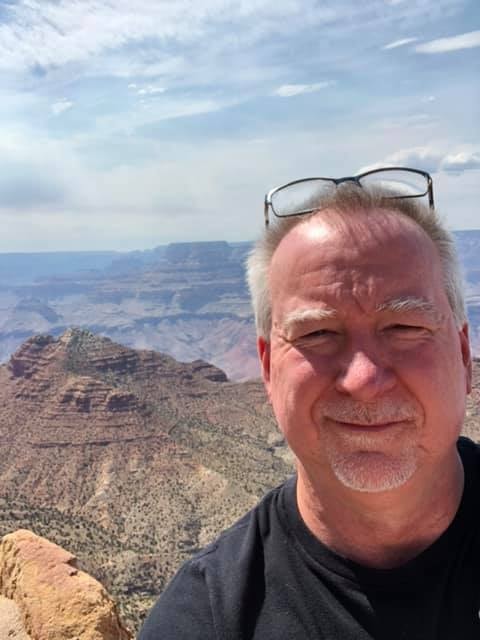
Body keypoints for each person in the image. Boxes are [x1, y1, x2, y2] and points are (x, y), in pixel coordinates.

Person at [139, 168, 479, 639]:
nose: (363, 379)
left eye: (404, 328)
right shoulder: (207, 619)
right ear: (267, 368)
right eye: (317, 334)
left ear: (463, 354)